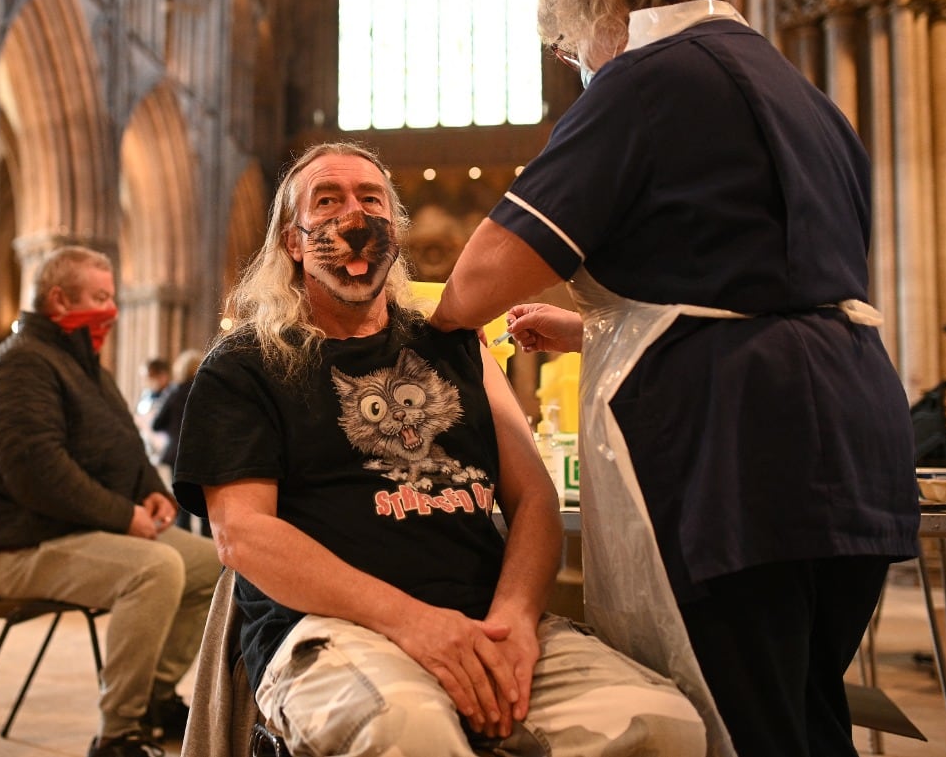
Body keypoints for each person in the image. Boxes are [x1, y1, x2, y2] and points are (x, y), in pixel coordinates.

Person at [429, 0, 920, 757]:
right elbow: (763, 280)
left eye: (571, 44)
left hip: (735, 450)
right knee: (807, 711)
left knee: (735, 723)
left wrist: (412, 330)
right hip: (856, 432)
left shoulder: (643, 79)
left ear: (604, 11)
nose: (576, 65)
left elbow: (476, 280)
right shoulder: (800, 90)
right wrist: (593, 327)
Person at [173, 141, 706, 757]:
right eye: (327, 200)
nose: (353, 215)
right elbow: (244, 536)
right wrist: (416, 624)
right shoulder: (245, 364)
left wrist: (513, 625)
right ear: (293, 242)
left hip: (485, 620)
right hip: (332, 628)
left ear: (395, 231)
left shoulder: (453, 344)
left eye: (371, 198)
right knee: (409, 732)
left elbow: (533, 496)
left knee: (662, 725)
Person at [0, 245, 220, 757]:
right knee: (155, 569)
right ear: (59, 300)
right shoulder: (19, 366)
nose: (112, 309)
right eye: (99, 298)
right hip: (25, 547)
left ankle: (152, 697)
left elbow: (126, 442)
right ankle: (118, 733)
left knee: (214, 563)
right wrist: (122, 516)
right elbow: (38, 474)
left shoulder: (85, 368)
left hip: (78, 533)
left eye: (112, 296)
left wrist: (150, 488)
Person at [150, 348, 203, 531]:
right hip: (203, 453)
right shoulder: (208, 392)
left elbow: (156, 424)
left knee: (183, 505)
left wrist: (173, 429)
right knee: (206, 508)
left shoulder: (174, 392)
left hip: (179, 453)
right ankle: (209, 554)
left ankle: (187, 552)